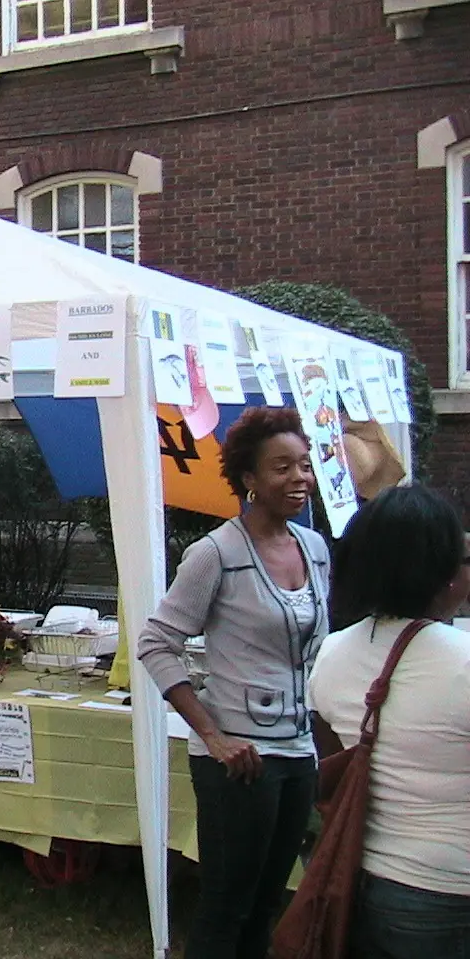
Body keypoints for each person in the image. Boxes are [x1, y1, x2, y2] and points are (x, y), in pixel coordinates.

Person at [138, 407, 330, 959]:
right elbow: (156, 642)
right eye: (281, 468)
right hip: (237, 759)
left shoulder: (314, 550)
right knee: (228, 903)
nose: (299, 479)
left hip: (297, 751)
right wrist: (213, 735)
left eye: (304, 466)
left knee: (271, 898)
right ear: (248, 479)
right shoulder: (215, 554)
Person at [309, 485, 470, 957]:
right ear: (443, 574)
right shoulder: (461, 662)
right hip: (451, 892)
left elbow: (333, 758)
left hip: (365, 880)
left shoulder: (333, 652)